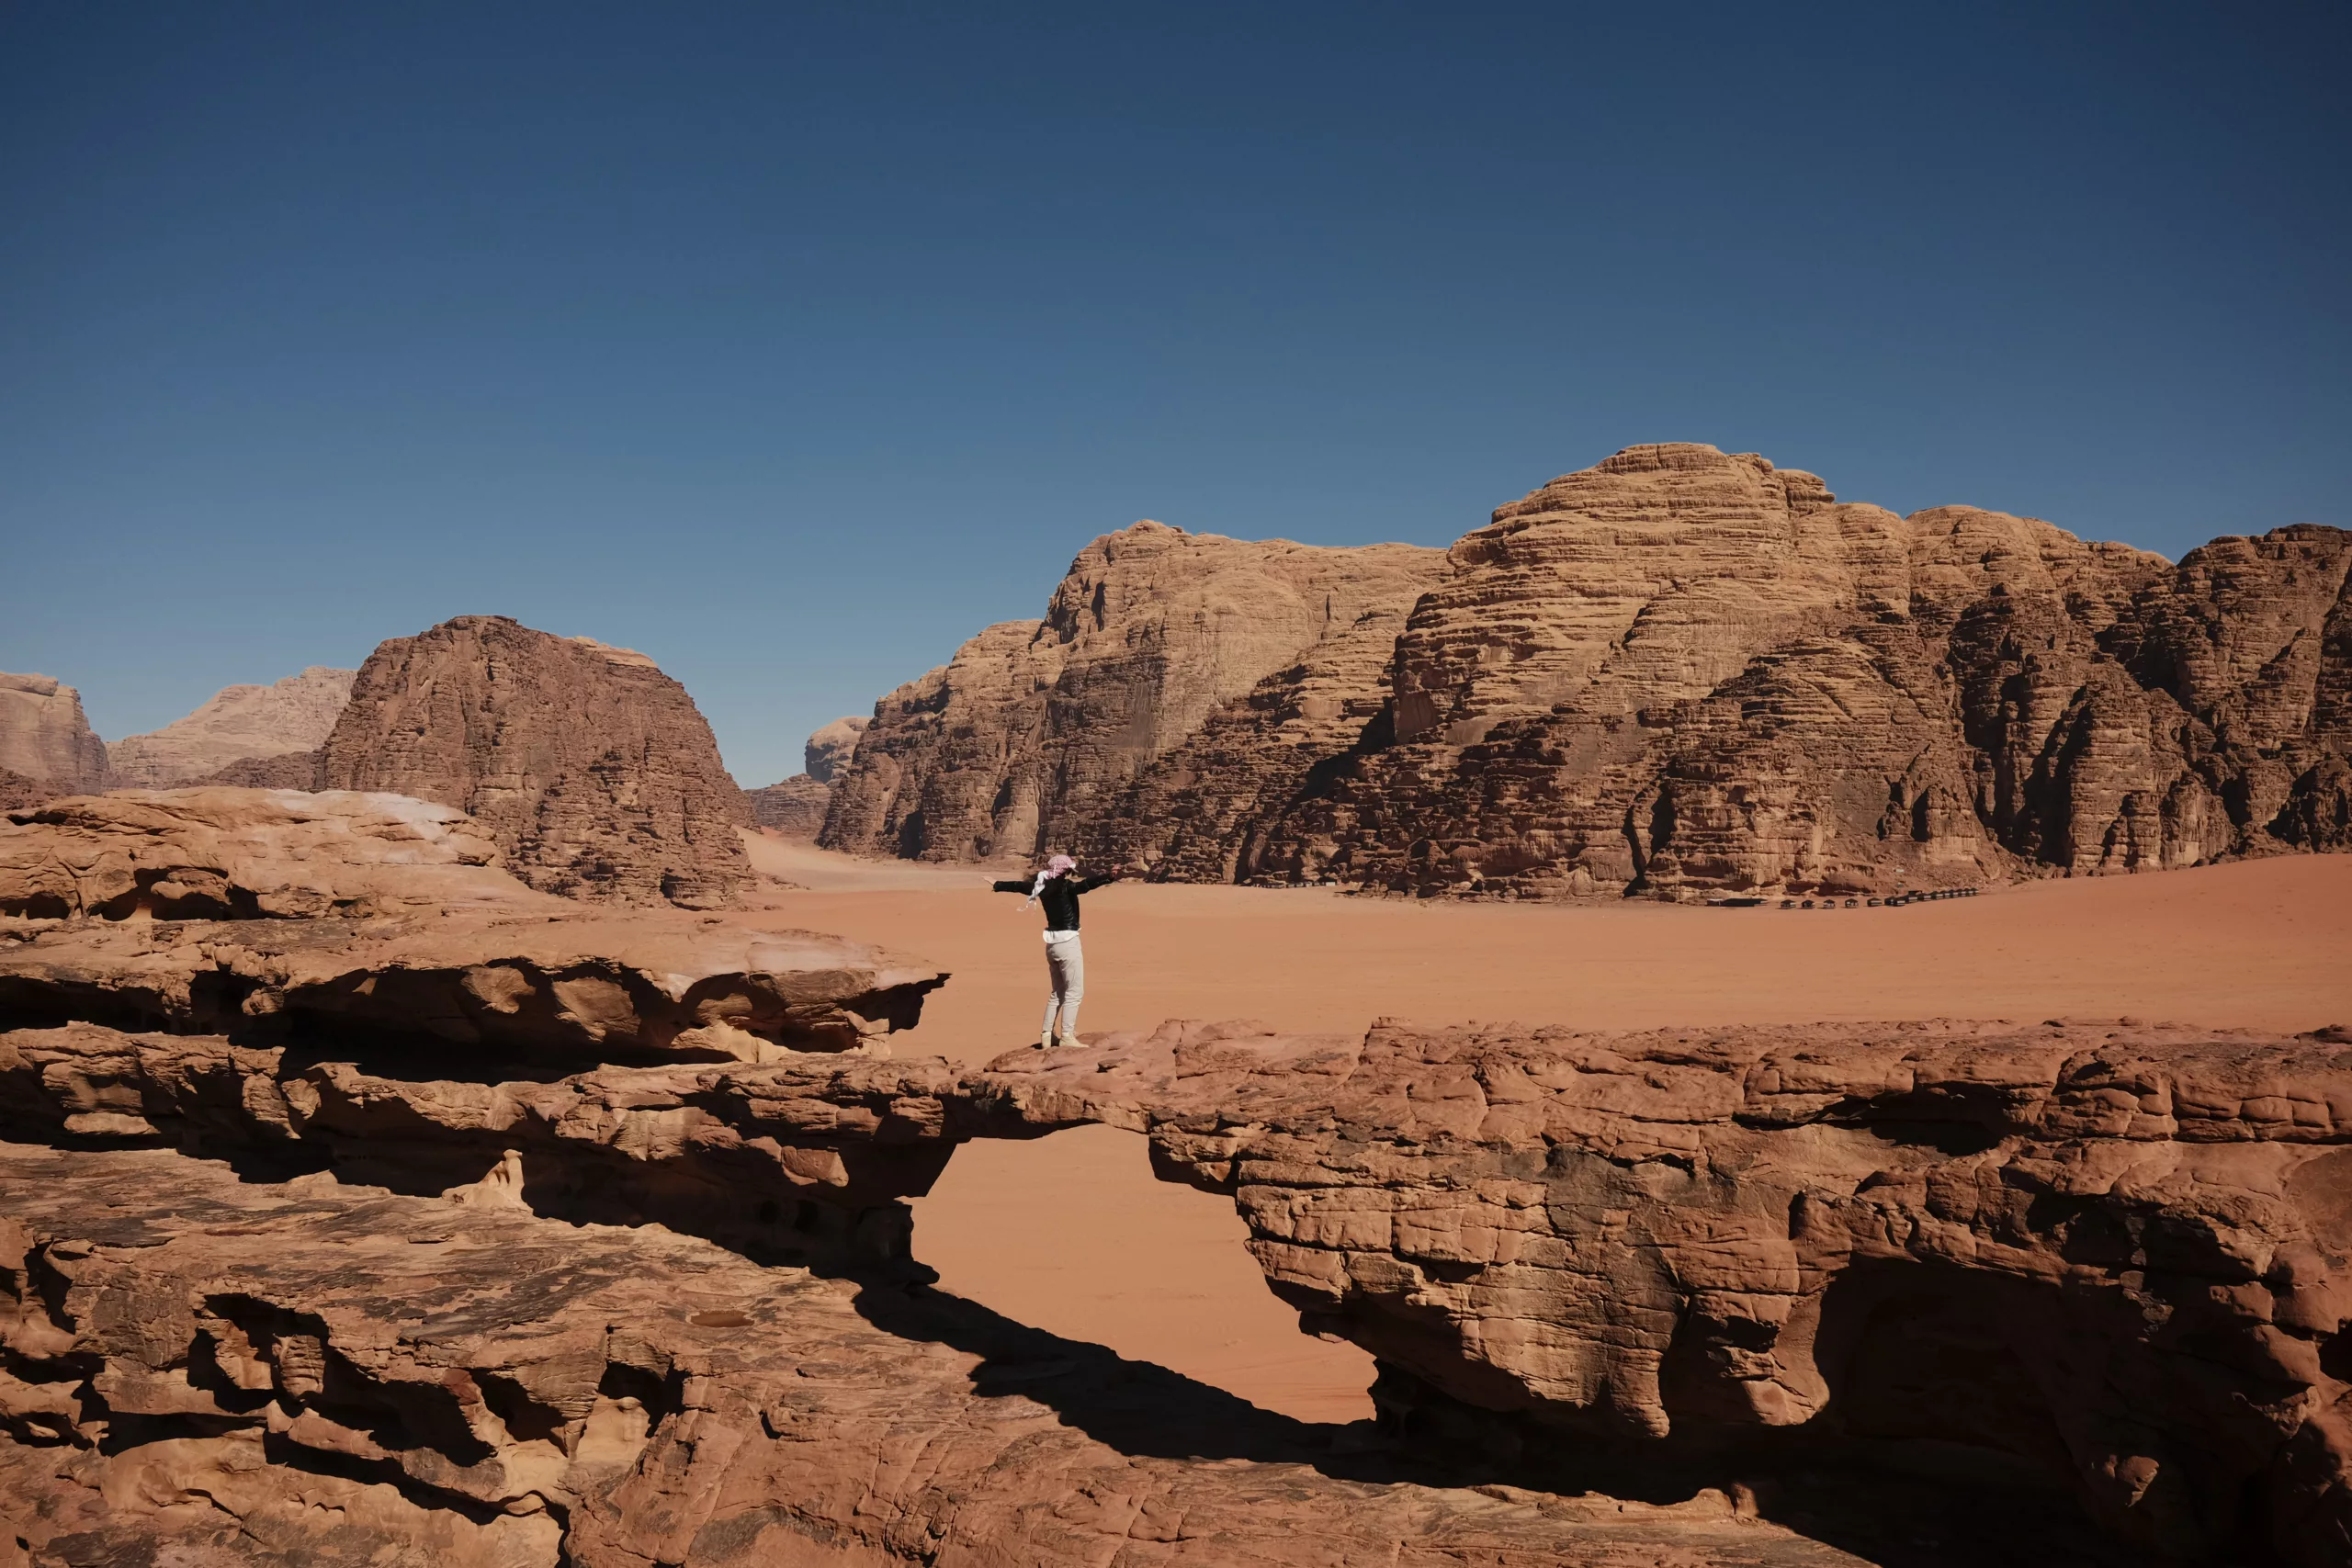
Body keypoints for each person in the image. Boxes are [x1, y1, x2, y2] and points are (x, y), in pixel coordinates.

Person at [992, 853, 1120, 1048]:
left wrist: (997, 884)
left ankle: (1046, 1035)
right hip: (1068, 942)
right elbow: (1085, 885)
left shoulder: (1040, 886)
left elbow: (1019, 887)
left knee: (1057, 992)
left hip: (1051, 944)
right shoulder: (1067, 887)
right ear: (1064, 870)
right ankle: (1067, 1035)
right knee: (1075, 992)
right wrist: (1108, 877)